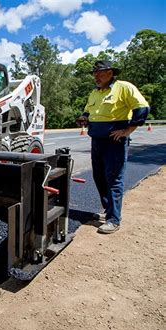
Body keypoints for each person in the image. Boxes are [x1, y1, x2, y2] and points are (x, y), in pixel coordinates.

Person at [77, 60, 149, 234]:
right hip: (97, 141)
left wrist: (127, 131)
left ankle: (113, 220)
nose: (96, 76)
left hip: (114, 143)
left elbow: (142, 108)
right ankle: (108, 210)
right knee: (99, 177)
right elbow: (88, 111)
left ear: (110, 73)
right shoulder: (95, 93)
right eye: (95, 73)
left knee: (114, 178)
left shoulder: (124, 88)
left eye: (100, 73)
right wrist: (84, 118)